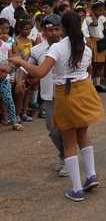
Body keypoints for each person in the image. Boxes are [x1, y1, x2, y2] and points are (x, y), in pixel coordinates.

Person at [9, 12, 104, 202]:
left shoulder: (58, 48)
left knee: (68, 142)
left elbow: (41, 72)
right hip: (84, 90)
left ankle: (77, 189)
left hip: (66, 93)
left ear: (63, 28)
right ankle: (91, 175)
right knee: (83, 134)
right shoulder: (84, 46)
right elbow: (88, 70)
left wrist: (20, 61)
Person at [22, 14, 66, 175]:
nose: (54, 33)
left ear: (61, 29)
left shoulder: (69, 46)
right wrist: (21, 80)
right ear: (43, 31)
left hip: (69, 96)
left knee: (68, 129)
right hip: (49, 96)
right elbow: (24, 67)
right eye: (50, 30)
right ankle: (64, 154)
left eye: (57, 29)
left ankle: (68, 160)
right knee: (53, 129)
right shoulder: (37, 50)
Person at [0, 17, 22, 131]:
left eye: (7, 28)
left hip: (4, 76)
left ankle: (14, 122)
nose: (4, 31)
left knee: (8, 99)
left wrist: (8, 69)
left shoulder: (9, 42)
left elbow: (12, 58)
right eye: (2, 28)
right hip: (2, 71)